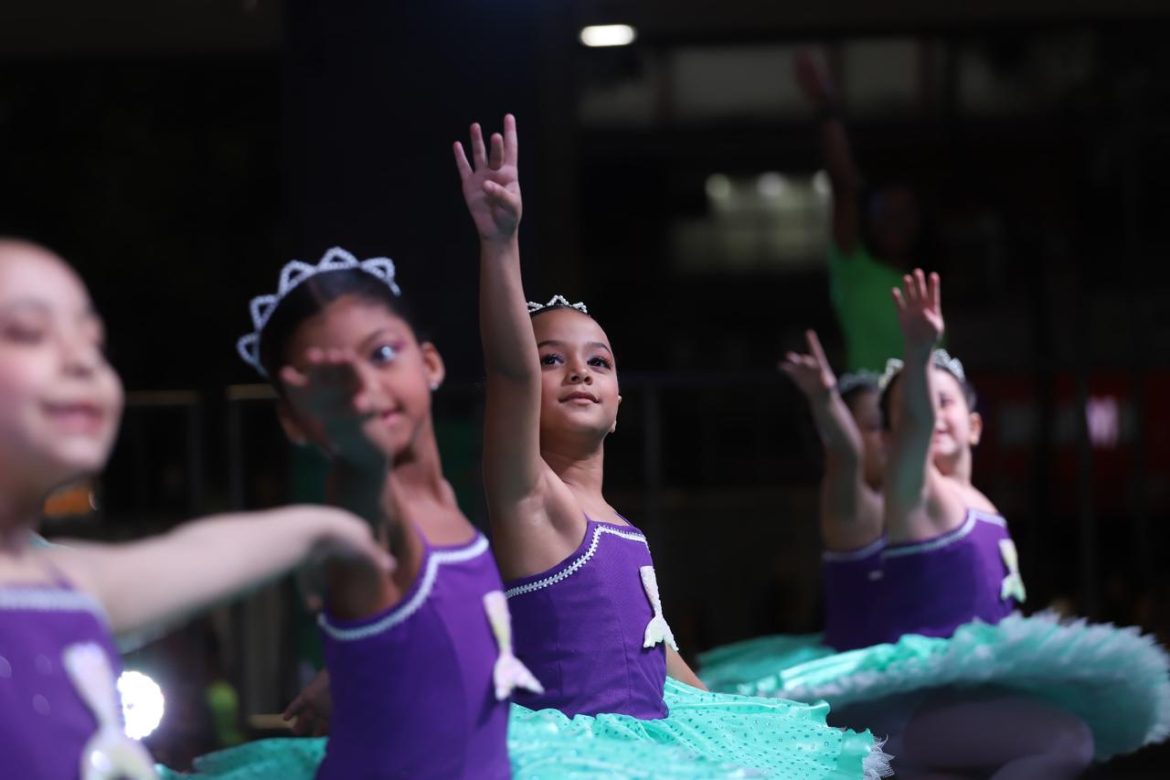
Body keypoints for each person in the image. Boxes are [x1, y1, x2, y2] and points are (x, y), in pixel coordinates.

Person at [457, 114, 889, 779]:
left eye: (598, 362)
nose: (579, 372)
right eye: (553, 360)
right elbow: (508, 373)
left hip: (656, 747)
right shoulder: (534, 502)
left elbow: (658, 658)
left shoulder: (624, 531)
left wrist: (738, 734)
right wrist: (500, 243)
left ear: (621, 400)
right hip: (577, 764)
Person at [0, 238, 389, 780]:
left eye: (93, 340)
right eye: (27, 332)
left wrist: (330, 515)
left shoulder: (64, 584)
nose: (82, 360)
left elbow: (202, 552)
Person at [794, 49, 916, 374]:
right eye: (886, 214)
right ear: (871, 221)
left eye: (903, 214)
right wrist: (826, 106)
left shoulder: (927, 287)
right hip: (871, 416)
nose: (896, 223)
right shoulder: (854, 269)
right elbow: (844, 186)